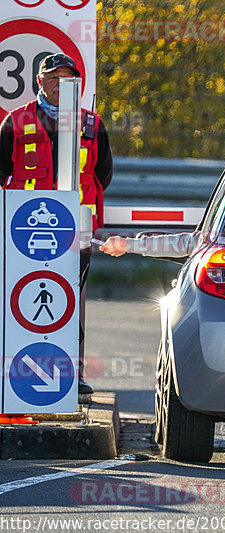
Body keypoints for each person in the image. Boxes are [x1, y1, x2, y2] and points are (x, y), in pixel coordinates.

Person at [0, 53, 113, 396]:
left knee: (71, 303)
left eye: (67, 79)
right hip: (25, 235)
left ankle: (69, 375)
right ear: (39, 81)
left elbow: (101, 176)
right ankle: (16, 373)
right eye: (53, 78)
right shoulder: (14, 123)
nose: (60, 84)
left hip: (75, 232)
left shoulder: (93, 125)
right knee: (21, 300)